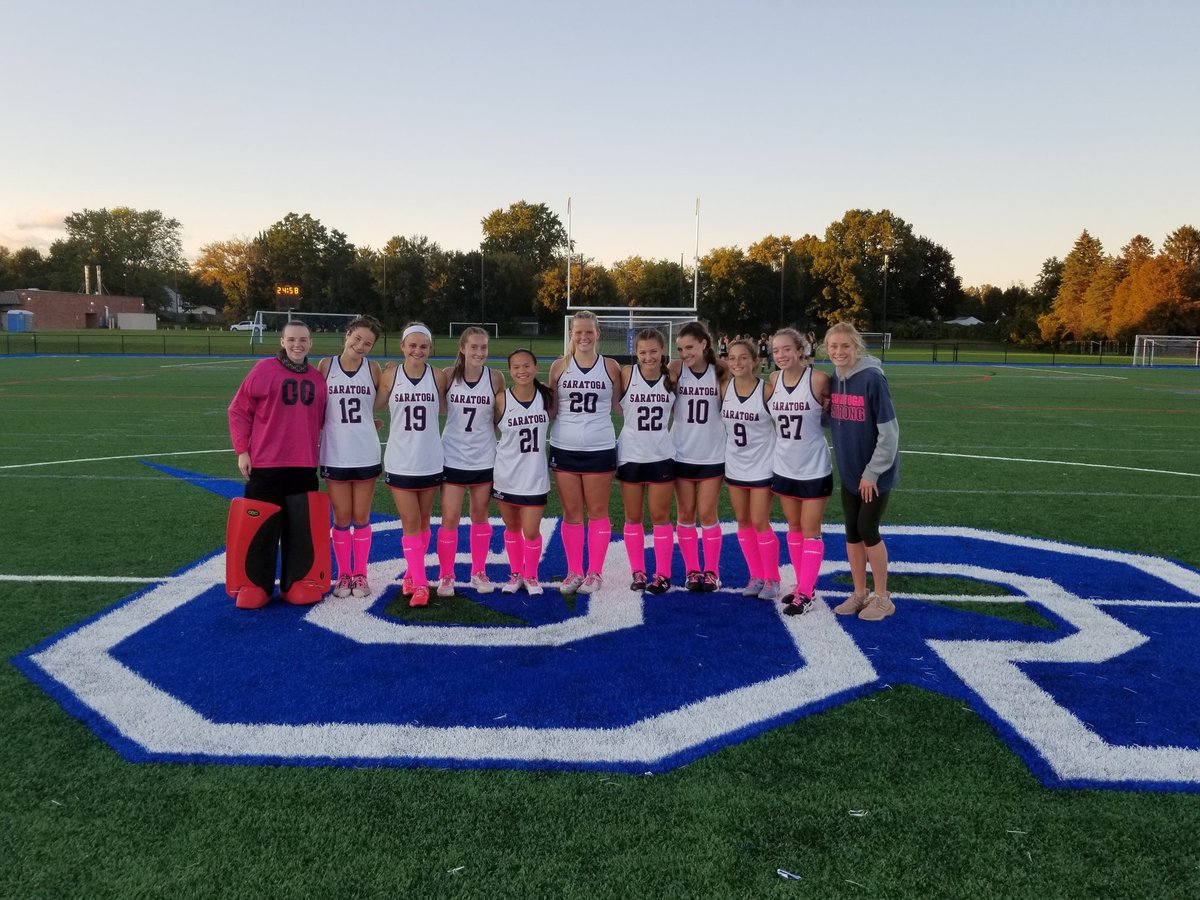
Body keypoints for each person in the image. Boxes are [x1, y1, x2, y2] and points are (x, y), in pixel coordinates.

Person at [226, 320, 329, 609]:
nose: (298, 344)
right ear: (282, 342)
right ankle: (255, 584)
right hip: (266, 464)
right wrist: (242, 451)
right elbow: (238, 410)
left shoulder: (317, 379)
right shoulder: (263, 370)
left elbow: (327, 419)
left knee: (300, 529)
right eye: (292, 339)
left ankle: (298, 582)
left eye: (303, 339)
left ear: (310, 343)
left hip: (304, 465)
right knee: (260, 528)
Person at [824, 322, 900, 621]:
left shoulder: (872, 379)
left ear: (856, 347)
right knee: (852, 531)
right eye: (833, 346)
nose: (839, 351)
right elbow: (833, 419)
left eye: (845, 345)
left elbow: (889, 433)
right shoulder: (835, 377)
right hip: (850, 471)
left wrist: (872, 472)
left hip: (873, 475)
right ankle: (859, 593)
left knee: (868, 529)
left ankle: (882, 598)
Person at [548, 311, 622, 595]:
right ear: (571, 334)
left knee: (598, 512)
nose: (583, 337)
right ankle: (574, 571)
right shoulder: (559, 366)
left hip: (599, 447)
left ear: (597, 333)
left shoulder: (611, 366)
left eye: (589, 331)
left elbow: (619, 406)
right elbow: (552, 410)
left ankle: (595, 572)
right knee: (571, 513)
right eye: (578, 332)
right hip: (564, 446)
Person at [378, 323, 448, 608]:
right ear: (402, 347)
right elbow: (373, 403)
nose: (417, 350)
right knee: (410, 522)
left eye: (423, 346)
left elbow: (449, 407)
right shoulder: (391, 375)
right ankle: (421, 584)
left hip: (430, 458)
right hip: (401, 459)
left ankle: (411, 573)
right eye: (412, 345)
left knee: (424, 520)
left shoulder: (438, 376)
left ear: (430, 348)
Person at [767, 327, 833, 616]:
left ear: (800, 350)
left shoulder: (818, 379)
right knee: (793, 527)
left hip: (814, 466)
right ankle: (802, 585)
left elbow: (832, 416)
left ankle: (806, 592)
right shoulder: (774, 379)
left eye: (786, 349)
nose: (781, 355)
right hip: (784, 465)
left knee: (810, 529)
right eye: (776, 350)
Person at [318, 316, 384, 600]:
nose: (360, 345)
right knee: (342, 517)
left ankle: (361, 573)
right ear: (347, 335)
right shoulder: (326, 365)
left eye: (367, 343)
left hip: (365, 451)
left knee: (361, 516)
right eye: (357, 338)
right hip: (335, 452)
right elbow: (317, 406)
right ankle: (343, 573)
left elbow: (382, 401)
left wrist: (371, 420)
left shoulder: (373, 368)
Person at [436, 327, 505, 597]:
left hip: (484, 456)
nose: (479, 352)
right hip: (452, 455)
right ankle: (446, 575)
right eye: (474, 347)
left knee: (480, 516)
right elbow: (438, 407)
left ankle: (478, 571)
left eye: (483, 347)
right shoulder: (447, 375)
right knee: (450, 517)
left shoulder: (495, 378)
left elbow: (499, 418)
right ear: (463, 348)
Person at [669, 321, 729, 591]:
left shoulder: (721, 370)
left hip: (712, 453)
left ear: (704, 344)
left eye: (690, 347)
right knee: (685, 513)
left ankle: (712, 571)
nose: (685, 353)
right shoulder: (675, 368)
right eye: (681, 349)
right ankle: (692, 570)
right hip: (681, 451)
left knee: (707, 513)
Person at [720, 338, 781, 600]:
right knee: (743, 521)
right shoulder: (724, 388)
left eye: (743, 357)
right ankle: (755, 575)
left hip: (762, 466)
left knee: (759, 521)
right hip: (735, 465)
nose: (737, 363)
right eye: (732, 358)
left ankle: (772, 578)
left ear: (755, 361)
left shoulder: (766, 391)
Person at [616, 328, 676, 594]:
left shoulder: (672, 374)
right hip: (630, 454)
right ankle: (638, 571)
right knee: (633, 516)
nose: (648, 357)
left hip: (661, 454)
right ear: (636, 353)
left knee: (660, 517)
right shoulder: (626, 374)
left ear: (663, 351)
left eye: (653, 351)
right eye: (643, 352)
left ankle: (662, 574)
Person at [493, 348, 554, 596]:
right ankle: (516, 573)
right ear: (510, 371)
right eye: (516, 367)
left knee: (530, 531)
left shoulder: (547, 396)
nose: (522, 371)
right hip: (506, 474)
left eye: (527, 365)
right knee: (512, 526)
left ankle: (531, 575)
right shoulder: (501, 399)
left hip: (535, 476)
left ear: (536, 367)